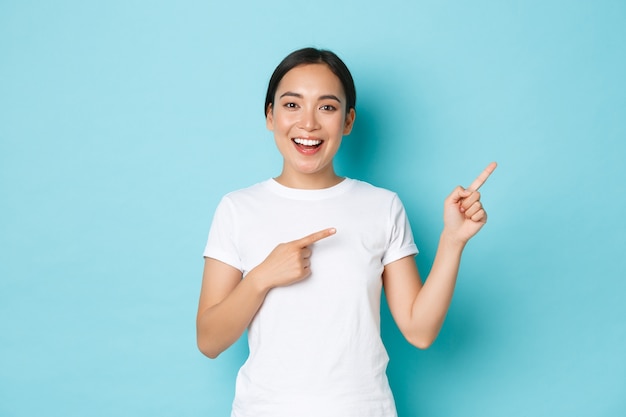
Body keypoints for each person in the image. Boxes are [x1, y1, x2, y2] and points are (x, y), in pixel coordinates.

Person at [196, 47, 496, 417]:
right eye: (292, 105)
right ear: (270, 116)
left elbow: (419, 331)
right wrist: (261, 277)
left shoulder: (382, 206)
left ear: (348, 120)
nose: (308, 123)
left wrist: (453, 241)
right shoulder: (237, 208)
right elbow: (209, 340)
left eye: (326, 107)